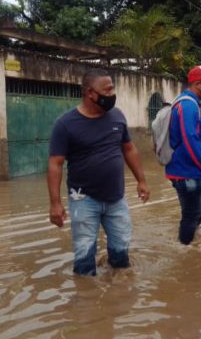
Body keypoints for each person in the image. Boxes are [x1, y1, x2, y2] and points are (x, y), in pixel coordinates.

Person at [47, 69, 150, 276]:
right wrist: (55, 203)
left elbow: (129, 148)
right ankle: (86, 301)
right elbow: (55, 164)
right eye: (107, 90)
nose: (112, 95)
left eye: (112, 89)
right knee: (84, 257)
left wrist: (142, 180)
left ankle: (117, 297)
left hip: (116, 198)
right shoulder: (66, 124)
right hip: (83, 199)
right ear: (89, 93)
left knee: (121, 255)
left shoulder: (117, 116)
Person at [166, 65, 201, 245]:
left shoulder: (191, 103)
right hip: (186, 171)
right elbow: (191, 141)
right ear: (198, 84)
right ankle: (184, 248)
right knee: (191, 214)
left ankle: (188, 234)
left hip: (193, 169)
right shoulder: (188, 106)